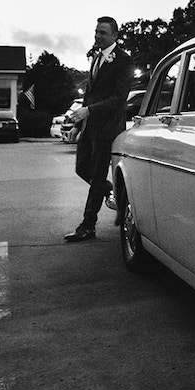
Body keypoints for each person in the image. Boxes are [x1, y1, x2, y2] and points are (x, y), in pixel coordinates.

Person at [64, 17, 132, 242]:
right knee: (82, 167)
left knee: (97, 173)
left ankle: (88, 225)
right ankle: (111, 189)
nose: (97, 36)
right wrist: (77, 125)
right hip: (90, 126)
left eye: (103, 33)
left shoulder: (123, 61)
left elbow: (119, 98)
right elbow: (89, 95)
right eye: (96, 32)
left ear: (114, 36)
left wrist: (89, 111)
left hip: (109, 128)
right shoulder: (95, 58)